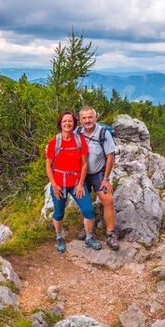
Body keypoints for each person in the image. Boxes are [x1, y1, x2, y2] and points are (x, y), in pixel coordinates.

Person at [46, 111, 102, 253]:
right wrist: (54, 185)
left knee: (88, 209)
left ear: (74, 124)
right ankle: (59, 237)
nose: (67, 124)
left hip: (77, 182)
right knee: (59, 212)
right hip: (59, 183)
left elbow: (84, 164)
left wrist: (80, 184)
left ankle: (89, 237)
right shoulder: (54, 142)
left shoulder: (79, 140)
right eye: (64, 121)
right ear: (60, 124)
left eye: (70, 121)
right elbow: (48, 166)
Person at [75, 106, 120, 250]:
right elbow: (62, 143)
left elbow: (110, 157)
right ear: (80, 120)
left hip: (98, 174)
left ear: (95, 118)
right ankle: (87, 228)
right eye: (84, 118)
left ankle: (110, 234)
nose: (87, 120)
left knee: (108, 200)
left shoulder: (103, 133)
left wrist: (106, 179)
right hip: (81, 174)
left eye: (90, 117)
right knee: (84, 201)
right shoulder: (77, 132)